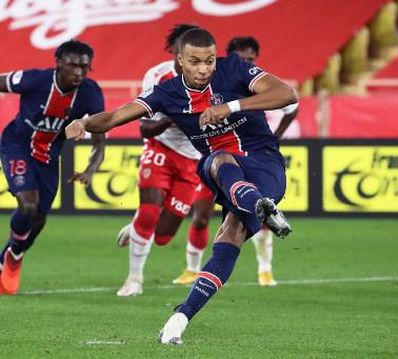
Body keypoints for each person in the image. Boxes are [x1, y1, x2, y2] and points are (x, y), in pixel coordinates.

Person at [65, 28, 297, 344]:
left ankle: (258, 203)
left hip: (265, 164)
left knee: (214, 161)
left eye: (209, 61)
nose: (204, 69)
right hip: (234, 178)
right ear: (180, 61)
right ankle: (180, 318)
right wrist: (84, 123)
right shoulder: (167, 92)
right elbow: (118, 116)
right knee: (228, 235)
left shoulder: (234, 69)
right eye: (195, 62)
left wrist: (230, 107)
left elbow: (287, 94)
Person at [114, 23, 216, 297]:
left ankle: (136, 226)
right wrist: (174, 117)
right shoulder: (158, 77)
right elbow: (144, 128)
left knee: (162, 236)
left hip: (193, 159)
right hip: (161, 148)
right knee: (149, 212)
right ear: (176, 52)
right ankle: (134, 279)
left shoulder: (211, 79)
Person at [0, 40, 106, 295]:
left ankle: (12, 253)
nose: (79, 72)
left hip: (49, 158)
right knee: (28, 204)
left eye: (84, 67)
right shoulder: (35, 80)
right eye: (73, 66)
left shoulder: (91, 93)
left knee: (38, 219)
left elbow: (100, 138)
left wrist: (92, 168)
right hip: (17, 145)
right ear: (58, 63)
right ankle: (13, 256)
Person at [226, 36, 299, 286]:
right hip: (224, 156)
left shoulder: (260, 84)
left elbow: (291, 106)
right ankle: (193, 269)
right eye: (242, 58)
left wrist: (276, 136)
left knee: (261, 209)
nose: (247, 63)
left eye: (251, 59)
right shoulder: (221, 84)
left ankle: (265, 270)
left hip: (255, 155)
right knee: (205, 214)